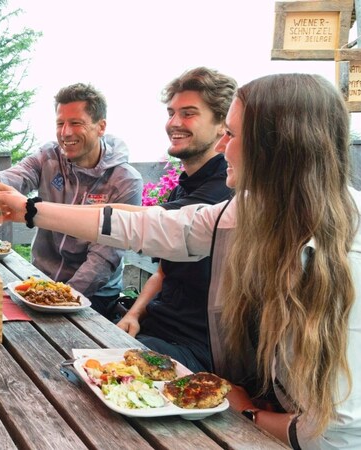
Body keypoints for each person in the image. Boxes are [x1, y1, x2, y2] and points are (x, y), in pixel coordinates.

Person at [0, 73, 361, 448]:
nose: (224, 147)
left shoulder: (349, 252)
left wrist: (248, 413)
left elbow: (335, 433)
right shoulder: (255, 208)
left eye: (232, 135)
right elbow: (156, 226)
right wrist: (29, 209)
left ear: (276, 146)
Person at [115, 67, 236, 372]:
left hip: (201, 350)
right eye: (171, 113)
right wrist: (134, 315)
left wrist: (34, 211)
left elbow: (139, 223)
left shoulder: (224, 189)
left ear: (223, 124)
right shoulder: (184, 185)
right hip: (157, 329)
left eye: (189, 113)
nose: (173, 123)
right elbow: (163, 272)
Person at [0, 83, 143, 318]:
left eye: (76, 123)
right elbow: (14, 177)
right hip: (41, 281)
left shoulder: (126, 181)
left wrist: (59, 298)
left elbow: (103, 258)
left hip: (95, 296)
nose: (65, 132)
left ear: (101, 127)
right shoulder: (49, 156)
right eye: (60, 123)